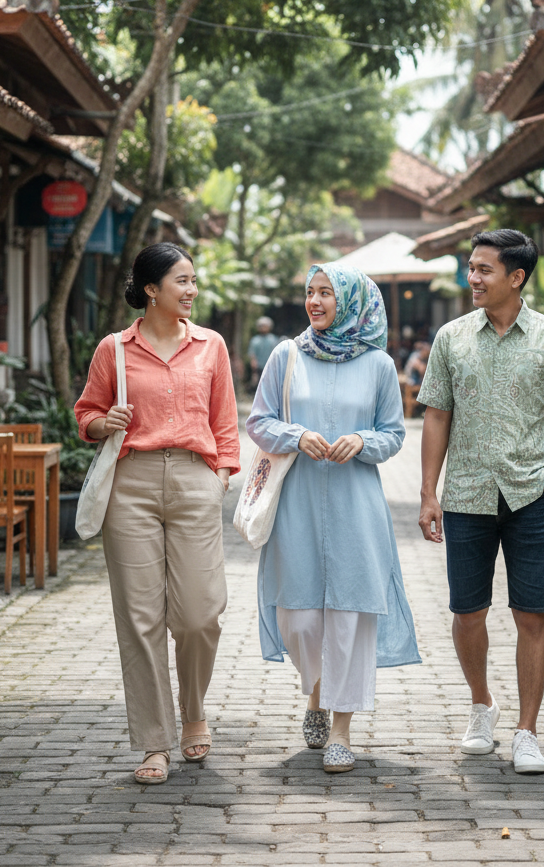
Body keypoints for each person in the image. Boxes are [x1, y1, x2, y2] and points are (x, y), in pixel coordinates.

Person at [417, 229, 544, 774]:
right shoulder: (451, 338)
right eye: (470, 268)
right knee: (467, 612)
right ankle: (481, 706)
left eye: (483, 270)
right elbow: (436, 415)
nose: (472, 278)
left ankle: (527, 730)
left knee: (530, 612)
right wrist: (428, 492)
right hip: (468, 493)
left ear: (516, 278)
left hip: (529, 496)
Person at [74, 242, 240, 784]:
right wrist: (104, 422)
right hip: (132, 483)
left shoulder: (211, 345)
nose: (192, 291)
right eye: (182, 281)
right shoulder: (114, 349)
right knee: (140, 619)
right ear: (152, 289)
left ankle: (194, 712)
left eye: (194, 281)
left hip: (195, 479)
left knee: (199, 614)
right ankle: (153, 742)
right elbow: (86, 412)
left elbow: (225, 422)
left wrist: (218, 479)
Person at [247, 263, 419, 774]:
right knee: (298, 617)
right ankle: (316, 694)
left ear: (350, 302)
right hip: (296, 500)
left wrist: (362, 441)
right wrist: (296, 436)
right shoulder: (286, 355)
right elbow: (258, 420)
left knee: (348, 616)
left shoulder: (379, 365)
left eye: (326, 293)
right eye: (310, 292)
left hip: (355, 503)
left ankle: (341, 728)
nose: (315, 301)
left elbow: (393, 433)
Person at [247, 316, 279, 388]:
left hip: (271, 368)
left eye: (265, 326)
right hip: (259, 368)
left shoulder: (274, 340)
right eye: (261, 326)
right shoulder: (255, 340)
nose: (263, 328)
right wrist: (254, 371)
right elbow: (252, 355)